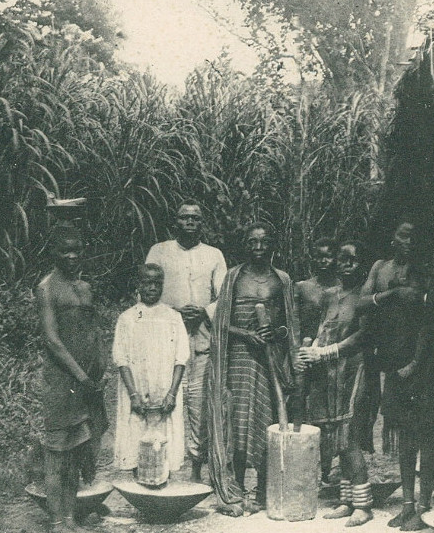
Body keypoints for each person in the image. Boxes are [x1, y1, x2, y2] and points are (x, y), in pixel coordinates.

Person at [206, 222, 301, 516]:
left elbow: (290, 325)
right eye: (252, 242)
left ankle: (261, 490)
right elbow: (220, 324)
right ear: (244, 245)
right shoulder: (233, 277)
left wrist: (277, 333)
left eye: (264, 242)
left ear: (273, 245)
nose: (258, 248)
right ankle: (233, 490)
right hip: (238, 357)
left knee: (265, 419)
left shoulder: (281, 280)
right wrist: (247, 334)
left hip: (268, 360)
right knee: (236, 420)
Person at [33, 223, 108, 533]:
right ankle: (56, 524)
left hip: (88, 384)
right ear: (53, 252)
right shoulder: (46, 288)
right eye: (65, 250)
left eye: (77, 249)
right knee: (57, 453)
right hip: (62, 383)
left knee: (78, 452)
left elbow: (94, 332)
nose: (72, 255)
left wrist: (100, 372)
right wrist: (81, 376)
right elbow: (52, 341)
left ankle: (71, 518)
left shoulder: (85, 287)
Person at [145, 200, 227, 482]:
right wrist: (174, 313)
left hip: (202, 336)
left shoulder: (214, 255)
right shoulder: (159, 251)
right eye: (184, 218)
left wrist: (204, 310)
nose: (190, 222)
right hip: (167, 334)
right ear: (175, 221)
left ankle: (196, 467)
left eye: (195, 218)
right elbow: (148, 289)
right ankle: (159, 465)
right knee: (164, 395)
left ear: (202, 223)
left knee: (198, 401)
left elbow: (224, 296)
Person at [378, 246, 434, 531]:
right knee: (406, 437)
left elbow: (432, 332)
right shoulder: (410, 291)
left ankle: (424, 506)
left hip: (429, 374)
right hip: (404, 372)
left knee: (428, 439)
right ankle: (407, 503)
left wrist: (414, 363)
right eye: (430, 268)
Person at [297, 240, 374, 526]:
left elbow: (362, 338)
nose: (346, 264)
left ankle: (363, 506)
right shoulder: (329, 295)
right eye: (342, 259)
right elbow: (321, 330)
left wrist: (326, 352)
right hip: (328, 375)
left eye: (352, 260)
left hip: (354, 371)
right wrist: (310, 350)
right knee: (335, 438)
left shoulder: (365, 296)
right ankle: (347, 500)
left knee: (350, 437)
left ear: (361, 264)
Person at [111, 264, 190, 478]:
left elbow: (180, 358)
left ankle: (162, 492)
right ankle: (140, 490)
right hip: (136, 390)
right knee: (137, 439)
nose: (152, 287)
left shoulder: (173, 317)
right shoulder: (127, 318)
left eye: (157, 283)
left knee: (165, 444)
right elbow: (122, 359)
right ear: (138, 285)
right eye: (147, 282)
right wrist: (133, 394)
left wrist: (172, 393)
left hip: (165, 390)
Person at [354, 221, 424, 454]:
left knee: (399, 411)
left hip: (406, 347)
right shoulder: (380, 267)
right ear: (393, 238)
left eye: (413, 237)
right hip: (377, 345)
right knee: (368, 401)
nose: (409, 242)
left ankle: (394, 460)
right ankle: (368, 455)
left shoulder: (421, 271)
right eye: (404, 236)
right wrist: (392, 294)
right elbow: (361, 303)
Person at [295, 237, 339, 344]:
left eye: (328, 257)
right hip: (304, 346)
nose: (323, 261)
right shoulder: (302, 287)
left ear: (336, 258)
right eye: (319, 257)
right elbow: (293, 323)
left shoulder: (343, 289)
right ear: (313, 259)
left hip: (332, 349)